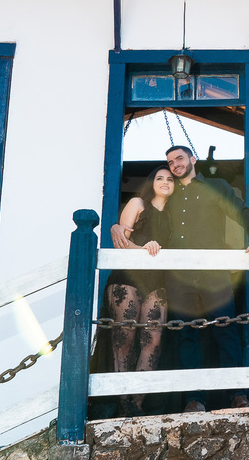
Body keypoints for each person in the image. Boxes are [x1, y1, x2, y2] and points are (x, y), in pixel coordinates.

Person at [115, 145, 249, 413]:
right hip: (178, 276)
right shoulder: (168, 195)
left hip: (214, 273)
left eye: (180, 159)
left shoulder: (216, 187)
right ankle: (194, 399)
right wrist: (117, 226)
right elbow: (143, 217)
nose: (175, 165)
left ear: (192, 159)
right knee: (185, 335)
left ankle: (237, 394)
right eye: (170, 162)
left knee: (226, 330)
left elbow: (241, 211)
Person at [103, 165, 175, 417]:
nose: (165, 182)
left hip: (157, 281)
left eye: (170, 179)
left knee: (152, 340)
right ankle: (123, 400)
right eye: (160, 178)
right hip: (128, 278)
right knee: (124, 337)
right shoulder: (138, 203)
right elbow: (122, 241)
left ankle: (137, 402)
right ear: (151, 181)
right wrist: (147, 248)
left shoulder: (177, 213)